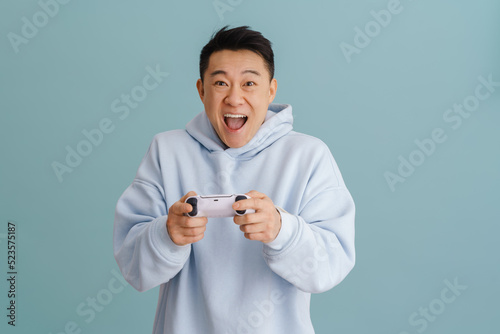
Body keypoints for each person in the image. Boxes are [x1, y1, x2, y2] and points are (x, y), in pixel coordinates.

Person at [113, 25, 355, 334]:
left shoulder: (308, 156)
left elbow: (330, 267)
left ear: (271, 90)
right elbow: (133, 268)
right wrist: (167, 234)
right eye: (221, 83)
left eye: (249, 83)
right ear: (202, 90)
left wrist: (283, 230)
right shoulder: (167, 151)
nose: (234, 98)